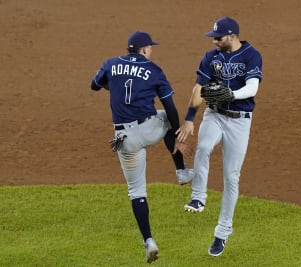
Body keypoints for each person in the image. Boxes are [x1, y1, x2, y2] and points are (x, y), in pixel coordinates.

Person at [90, 31, 194, 263]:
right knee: (167, 117)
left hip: (123, 139)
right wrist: (179, 138)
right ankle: (181, 171)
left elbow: (95, 85)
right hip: (148, 129)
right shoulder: (153, 70)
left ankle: (149, 241)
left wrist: (112, 85)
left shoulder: (111, 63)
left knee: (136, 191)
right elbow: (171, 107)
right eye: (150, 48)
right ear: (145, 49)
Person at [176, 17, 263, 256]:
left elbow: (252, 87)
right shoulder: (210, 57)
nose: (214, 41)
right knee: (203, 147)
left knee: (231, 178)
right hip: (214, 115)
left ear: (232, 36)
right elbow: (198, 89)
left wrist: (230, 94)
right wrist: (190, 119)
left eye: (218, 37)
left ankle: (222, 232)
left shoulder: (251, 55)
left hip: (240, 120)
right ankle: (198, 197)